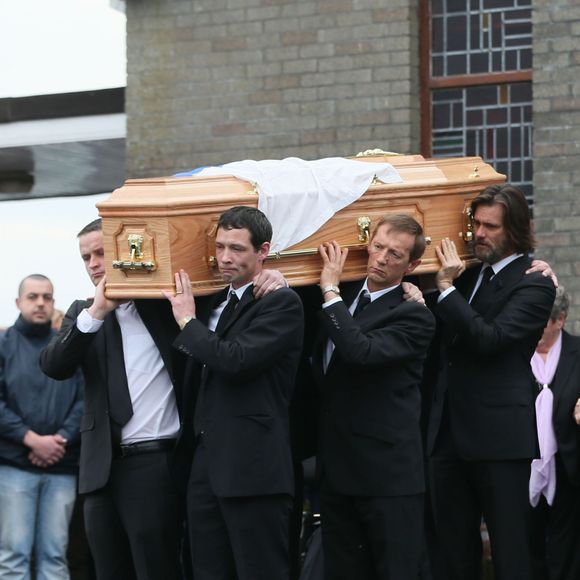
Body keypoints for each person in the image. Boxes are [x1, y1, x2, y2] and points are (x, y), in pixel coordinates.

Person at [164, 206, 304, 580]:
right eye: (220, 246)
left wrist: (187, 321)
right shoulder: (212, 301)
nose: (225, 258)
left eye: (238, 249)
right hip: (205, 469)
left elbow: (236, 360)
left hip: (254, 470)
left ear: (263, 251)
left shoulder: (280, 302)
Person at [426, 183, 556, 580]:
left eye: (491, 227)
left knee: (510, 552)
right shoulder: (468, 275)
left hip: (500, 439)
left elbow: (490, 339)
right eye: (476, 224)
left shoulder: (535, 282)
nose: (479, 233)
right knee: (451, 553)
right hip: (448, 435)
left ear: (515, 230)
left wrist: (446, 290)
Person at [312, 214, 436, 580]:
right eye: (378, 247)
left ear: (411, 265)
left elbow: (360, 352)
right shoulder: (342, 293)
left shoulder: (414, 315)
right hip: (336, 469)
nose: (381, 258)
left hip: (386, 477)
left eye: (394, 254)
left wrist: (330, 292)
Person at [0, 274, 83, 579]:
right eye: (33, 296)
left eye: (47, 297)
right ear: (18, 302)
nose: (40, 303)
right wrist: (30, 439)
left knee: (54, 556)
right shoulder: (3, 345)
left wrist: (59, 439)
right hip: (13, 467)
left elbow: (85, 400)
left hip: (62, 466)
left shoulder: (67, 347)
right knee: (13, 556)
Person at [529, 287, 580, 580]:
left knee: (566, 551)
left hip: (568, 466)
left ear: (559, 320)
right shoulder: (516, 354)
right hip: (524, 464)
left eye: (541, 321)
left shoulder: (577, 352)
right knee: (527, 544)